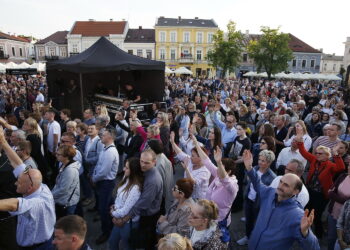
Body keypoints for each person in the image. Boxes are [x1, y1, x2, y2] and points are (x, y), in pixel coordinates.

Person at [241, 150, 320, 250]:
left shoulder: (297, 215)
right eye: (281, 182)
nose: (280, 186)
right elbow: (258, 183)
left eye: (286, 185)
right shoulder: (270, 193)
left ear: (296, 191)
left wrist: (306, 233)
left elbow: (314, 247)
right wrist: (249, 167)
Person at [0, 127, 56, 249]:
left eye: (19, 182)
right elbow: (18, 164)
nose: (15, 184)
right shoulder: (39, 185)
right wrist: (3, 142)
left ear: (29, 187)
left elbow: (13, 204)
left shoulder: (37, 202)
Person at [295, 134, 345, 238]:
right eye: (317, 153)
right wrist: (300, 142)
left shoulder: (330, 165)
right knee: (306, 211)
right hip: (310, 191)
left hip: (321, 195)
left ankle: (318, 235)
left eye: (320, 154)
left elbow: (341, 168)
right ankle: (305, 230)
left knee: (317, 215)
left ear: (327, 155)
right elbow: (304, 152)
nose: (317, 155)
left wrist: (336, 153)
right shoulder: (314, 160)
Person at [114, 150, 163, 250]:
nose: (143, 165)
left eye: (147, 163)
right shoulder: (146, 171)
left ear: (154, 162)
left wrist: (124, 219)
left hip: (148, 217)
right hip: (143, 215)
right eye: (141, 161)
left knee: (143, 243)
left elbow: (142, 205)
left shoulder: (153, 180)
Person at [192, 135, 238, 226]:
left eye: (221, 168)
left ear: (228, 172)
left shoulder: (232, 186)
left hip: (219, 222)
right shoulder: (218, 174)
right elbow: (206, 161)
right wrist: (196, 144)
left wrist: (219, 162)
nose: (217, 169)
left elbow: (225, 180)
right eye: (218, 167)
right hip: (208, 217)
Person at [237, 149, 276, 246]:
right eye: (259, 159)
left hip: (259, 204)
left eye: (263, 161)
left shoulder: (272, 177)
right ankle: (247, 237)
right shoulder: (255, 168)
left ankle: (255, 240)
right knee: (248, 221)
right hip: (249, 199)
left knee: (256, 223)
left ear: (269, 162)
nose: (260, 162)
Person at [92, 128, 119, 244]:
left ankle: (107, 232)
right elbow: (99, 164)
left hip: (106, 183)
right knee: (110, 205)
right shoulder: (104, 148)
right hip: (102, 181)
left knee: (103, 209)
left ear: (110, 137)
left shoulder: (111, 152)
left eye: (104, 134)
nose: (101, 135)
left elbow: (104, 171)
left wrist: (94, 178)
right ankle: (113, 226)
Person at [109, 157, 143, 250]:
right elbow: (119, 196)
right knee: (112, 242)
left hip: (127, 223)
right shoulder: (126, 177)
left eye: (127, 168)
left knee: (125, 246)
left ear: (133, 171)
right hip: (119, 218)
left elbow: (125, 210)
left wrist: (113, 213)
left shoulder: (135, 188)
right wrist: (115, 207)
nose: (124, 169)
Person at [170, 132, 210, 199]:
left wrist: (186, 169)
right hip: (187, 194)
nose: (190, 157)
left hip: (197, 199)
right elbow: (180, 153)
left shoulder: (205, 171)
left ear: (200, 158)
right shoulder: (191, 161)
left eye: (193, 156)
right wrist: (172, 142)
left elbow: (193, 183)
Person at [52, 145, 80, 219]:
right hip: (62, 199)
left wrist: (50, 195)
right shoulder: (64, 164)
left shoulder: (70, 170)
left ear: (66, 156)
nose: (56, 155)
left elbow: (63, 189)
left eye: (58, 154)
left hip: (66, 202)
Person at [327, 165, 350, 250]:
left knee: (344, 241)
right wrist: (346, 201)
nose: (349, 168)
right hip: (334, 212)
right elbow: (330, 192)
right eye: (349, 165)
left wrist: (335, 196)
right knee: (331, 238)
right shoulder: (343, 176)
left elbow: (333, 193)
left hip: (346, 218)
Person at [148, 139, 174, 213]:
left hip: (160, 193)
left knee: (159, 209)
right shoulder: (161, 155)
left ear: (154, 149)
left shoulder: (159, 164)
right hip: (164, 191)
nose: (148, 149)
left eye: (149, 147)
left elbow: (158, 182)